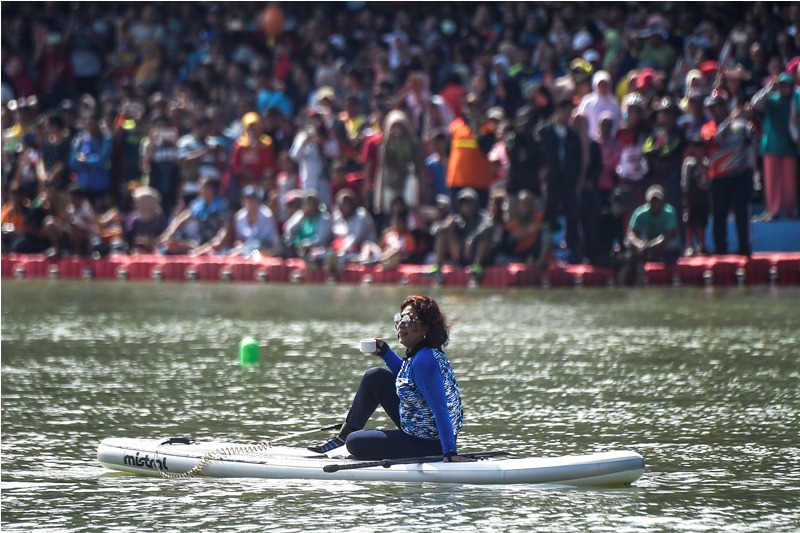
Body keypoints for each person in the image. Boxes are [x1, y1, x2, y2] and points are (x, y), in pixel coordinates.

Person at [308, 294, 470, 463]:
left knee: (355, 442)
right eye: (400, 318)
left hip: (428, 443)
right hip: (418, 424)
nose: (401, 324)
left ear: (426, 328)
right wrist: (385, 352)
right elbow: (409, 380)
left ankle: (345, 440)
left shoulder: (424, 361)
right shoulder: (422, 353)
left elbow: (441, 408)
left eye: (408, 319)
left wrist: (449, 452)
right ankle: (341, 438)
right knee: (375, 377)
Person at [702, 90, 754, 256]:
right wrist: (730, 119)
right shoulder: (708, 127)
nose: (716, 110)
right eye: (713, 107)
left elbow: (753, 137)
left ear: (725, 106)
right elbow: (715, 138)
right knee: (719, 216)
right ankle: (720, 249)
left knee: (741, 214)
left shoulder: (741, 125)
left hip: (740, 176)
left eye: (719, 106)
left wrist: (747, 116)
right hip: (718, 177)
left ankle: (744, 248)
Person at [621, 184, 681, 285]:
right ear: (648, 201)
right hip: (647, 243)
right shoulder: (640, 213)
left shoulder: (669, 212)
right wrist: (639, 244)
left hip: (664, 243)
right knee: (628, 244)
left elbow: (670, 235)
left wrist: (651, 245)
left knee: (670, 245)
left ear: (662, 202)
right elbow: (631, 234)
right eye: (653, 200)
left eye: (657, 201)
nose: (655, 203)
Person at [227, 185, 281, 257]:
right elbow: (239, 239)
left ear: (258, 201)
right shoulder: (239, 217)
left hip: (265, 249)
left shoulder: (267, 215)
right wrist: (241, 245)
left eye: (253, 200)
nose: (250, 203)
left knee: (257, 255)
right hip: (245, 249)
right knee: (232, 255)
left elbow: (273, 241)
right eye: (248, 199)